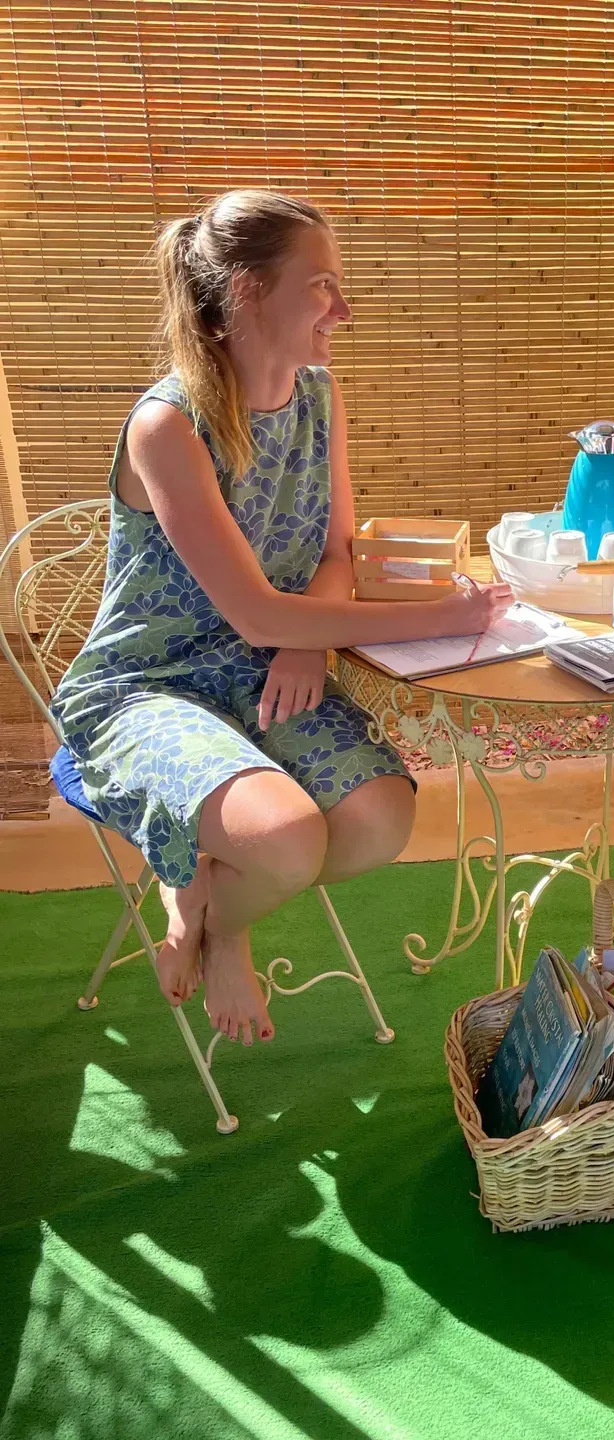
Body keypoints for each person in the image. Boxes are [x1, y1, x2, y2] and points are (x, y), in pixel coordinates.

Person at [51, 189, 511, 1045]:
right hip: (147, 685)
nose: (344, 308)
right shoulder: (167, 427)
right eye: (323, 285)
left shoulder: (318, 395)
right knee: (291, 840)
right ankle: (222, 925)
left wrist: (311, 644)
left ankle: (209, 893)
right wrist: (447, 615)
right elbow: (259, 611)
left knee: (380, 821)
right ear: (249, 291)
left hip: (266, 664)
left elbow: (339, 552)